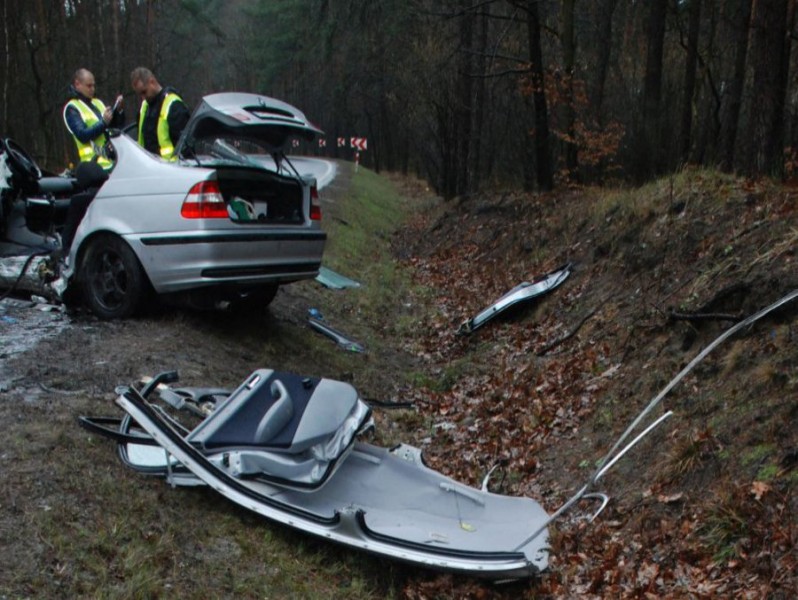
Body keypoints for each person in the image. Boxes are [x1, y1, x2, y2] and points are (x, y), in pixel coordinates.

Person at [63, 68, 124, 170]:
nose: (92, 89)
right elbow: (83, 135)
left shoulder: (98, 103)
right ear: (77, 84)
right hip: (92, 167)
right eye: (89, 86)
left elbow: (113, 128)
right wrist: (103, 122)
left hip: (111, 163)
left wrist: (118, 112)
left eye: (93, 85)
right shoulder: (72, 108)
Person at [130, 67, 190, 161]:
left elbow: (185, 147)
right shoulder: (145, 106)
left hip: (171, 170)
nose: (143, 97)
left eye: (144, 92)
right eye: (140, 94)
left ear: (152, 82)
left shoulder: (173, 105)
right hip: (149, 167)